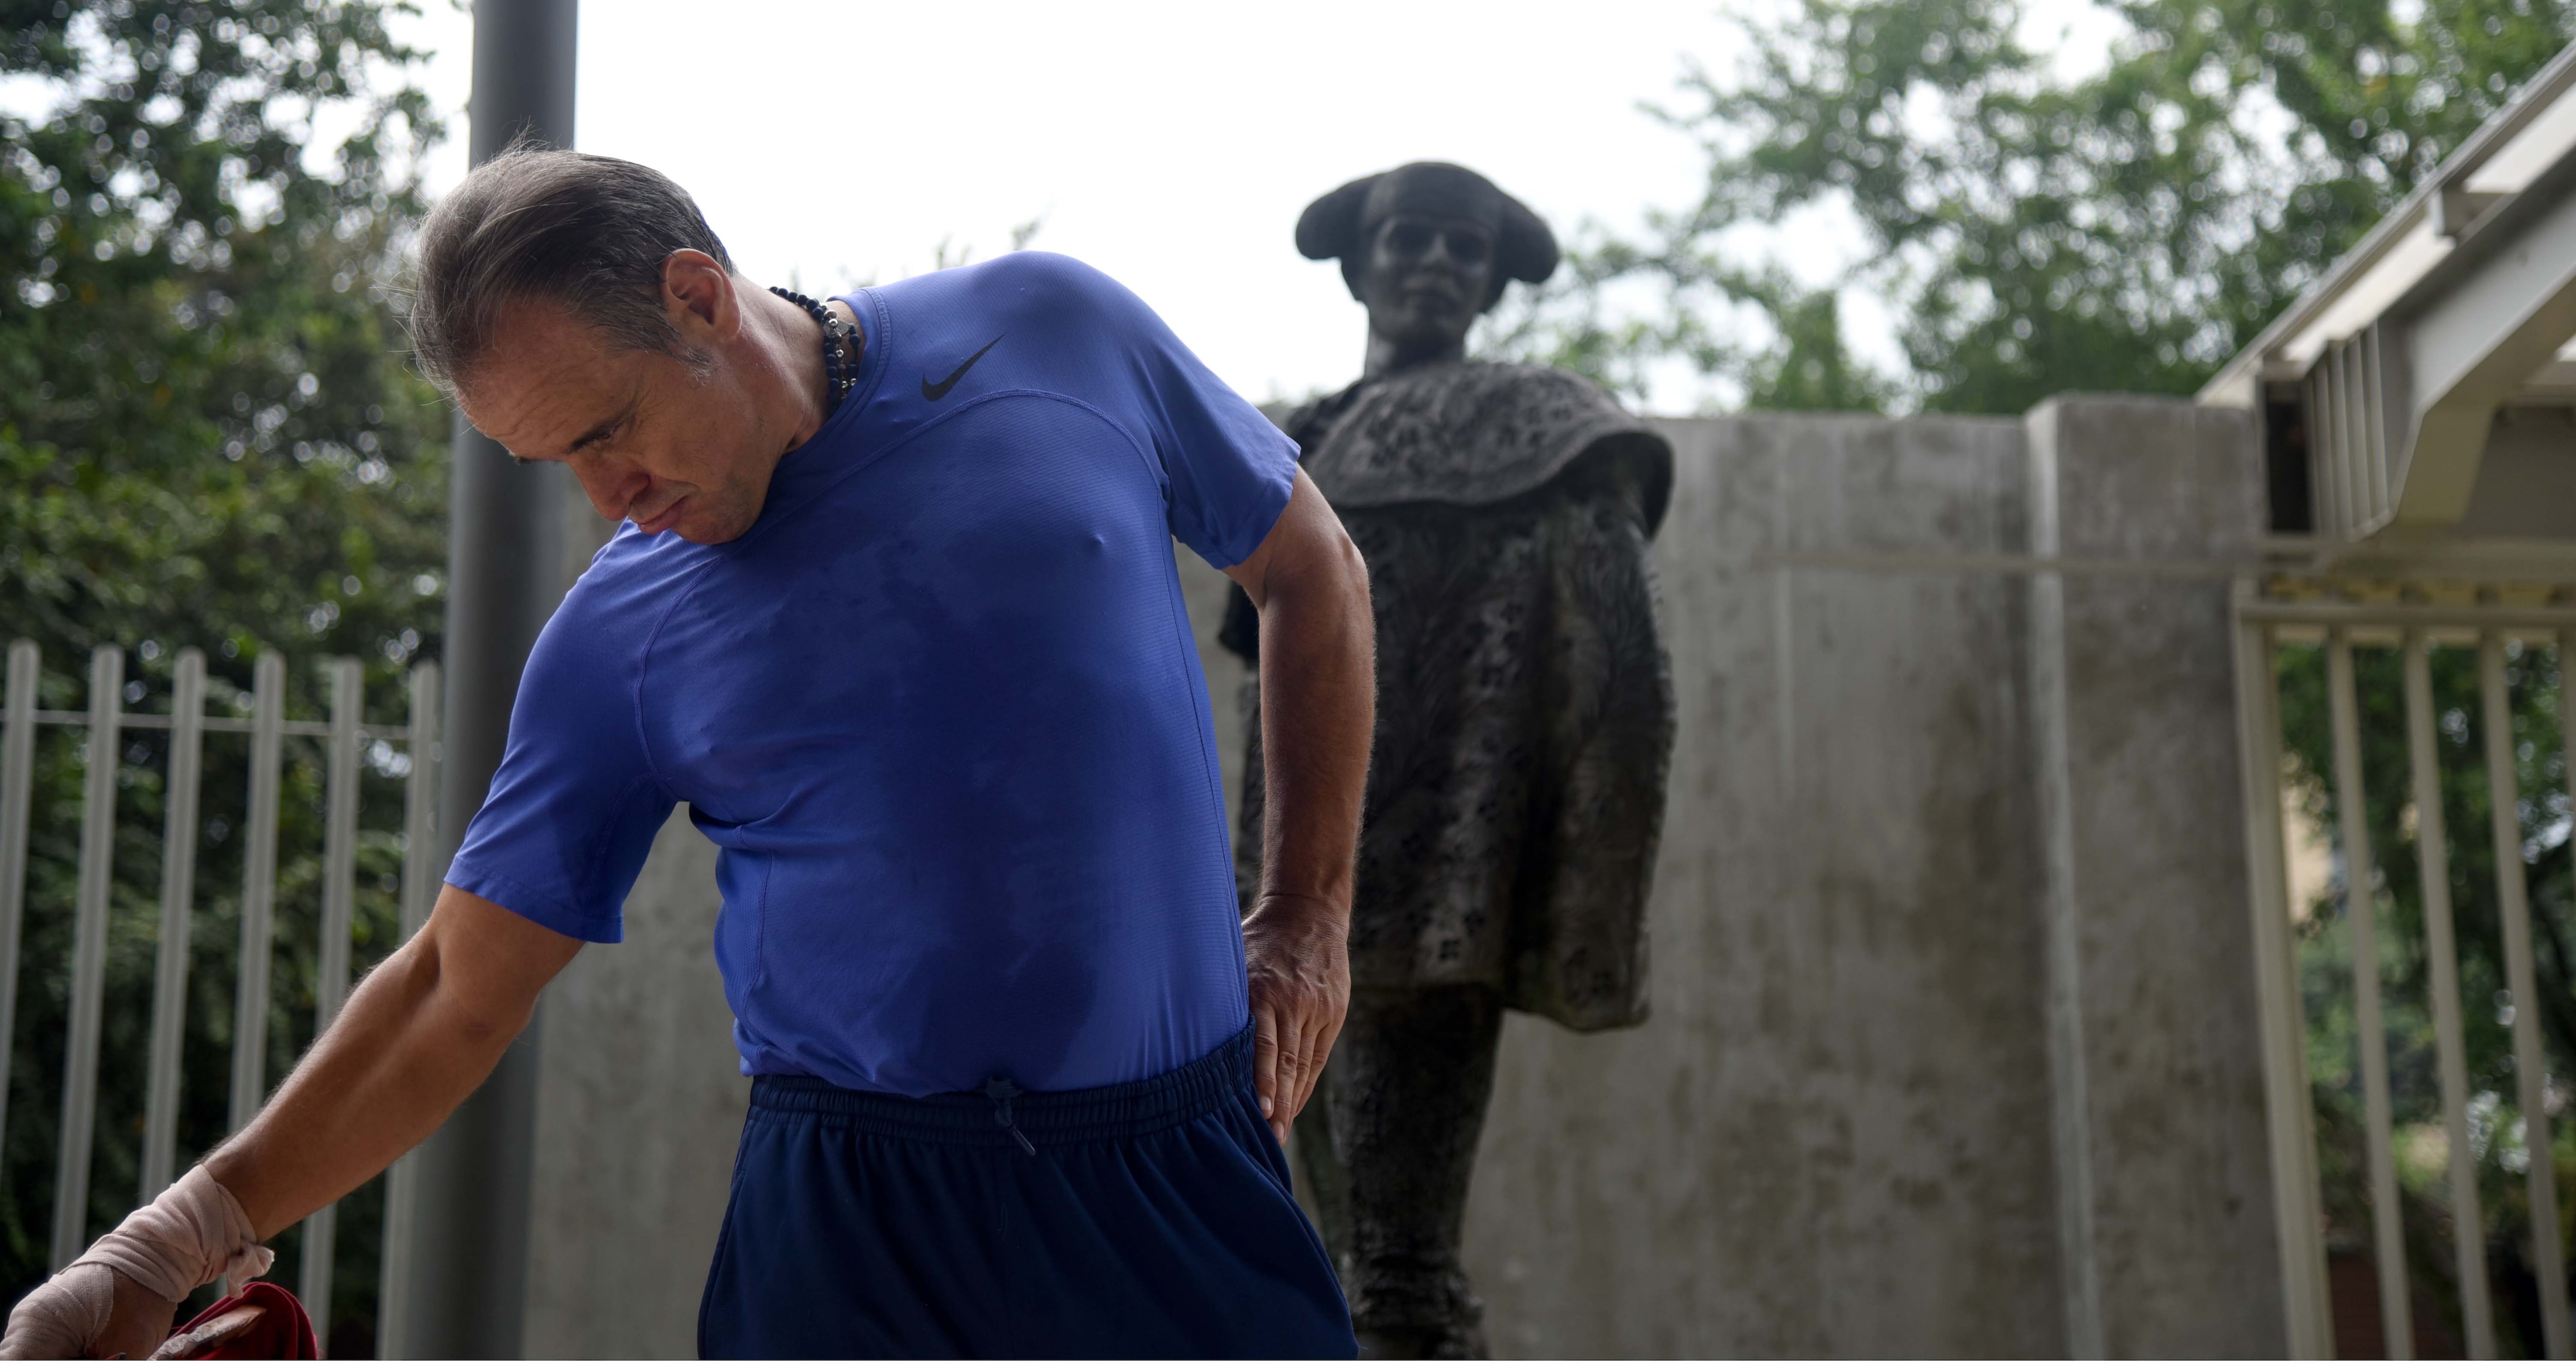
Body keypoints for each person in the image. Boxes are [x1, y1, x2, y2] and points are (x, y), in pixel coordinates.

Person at [2, 148, 1374, 1359]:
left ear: (698, 299)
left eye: (605, 433)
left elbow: (1312, 569)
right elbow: (451, 988)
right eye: (559, 466)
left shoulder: (1054, 329)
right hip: (853, 1232)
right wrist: (166, 1245)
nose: (611, 505)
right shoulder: (620, 626)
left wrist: (1307, 914)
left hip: (1175, 1169)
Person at [1219, 162, 1675, 1358]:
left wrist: (1578, 876)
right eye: (1409, 238)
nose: (1432, 263)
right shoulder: (1300, 441)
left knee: (1400, 1256)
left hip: (1438, 887)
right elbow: (1254, 665)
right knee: (1320, 1238)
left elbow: (1617, 663)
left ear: (1491, 281)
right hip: (1283, 885)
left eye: (1460, 249)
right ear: (1361, 263)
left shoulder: (1551, 425)